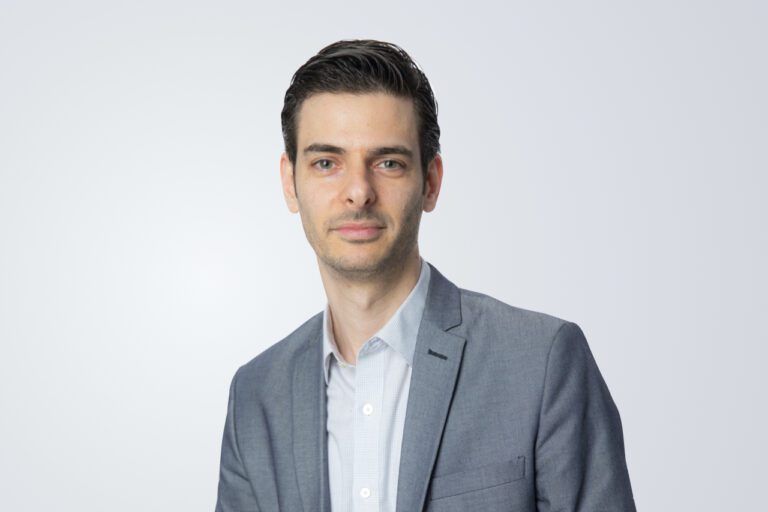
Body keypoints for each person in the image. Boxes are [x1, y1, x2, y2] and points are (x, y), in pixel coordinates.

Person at [215, 39, 636, 512]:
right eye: (326, 163)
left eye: (388, 163)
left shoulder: (542, 363)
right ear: (290, 183)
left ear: (431, 182)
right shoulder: (255, 396)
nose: (358, 191)